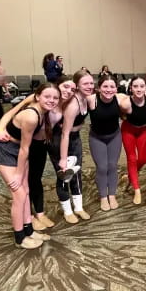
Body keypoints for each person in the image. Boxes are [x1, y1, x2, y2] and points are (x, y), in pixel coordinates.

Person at [0, 76, 76, 231]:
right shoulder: (40, 98)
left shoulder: (65, 103)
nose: (69, 91)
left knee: (35, 179)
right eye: (66, 87)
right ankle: (29, 217)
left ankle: (39, 214)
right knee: (26, 182)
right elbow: (11, 112)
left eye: (72, 89)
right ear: (58, 86)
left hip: (41, 144)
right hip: (26, 143)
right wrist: (0, 128)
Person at [0, 83, 59, 249]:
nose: (52, 100)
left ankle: (29, 230)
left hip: (18, 152)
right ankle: (19, 238)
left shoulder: (41, 111)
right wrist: (19, 175)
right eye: (47, 97)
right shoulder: (32, 116)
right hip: (5, 151)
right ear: (38, 97)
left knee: (26, 192)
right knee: (19, 194)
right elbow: (25, 148)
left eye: (55, 97)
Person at [49, 70, 94, 223]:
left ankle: (79, 208)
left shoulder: (86, 99)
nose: (89, 86)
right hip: (60, 141)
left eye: (91, 83)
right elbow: (64, 134)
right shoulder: (73, 104)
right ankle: (68, 211)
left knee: (76, 172)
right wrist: (62, 158)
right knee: (64, 174)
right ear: (77, 86)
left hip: (75, 139)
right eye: (85, 84)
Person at [87, 75, 128, 211]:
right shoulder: (92, 99)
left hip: (114, 136)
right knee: (102, 167)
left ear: (116, 88)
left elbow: (140, 98)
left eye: (112, 86)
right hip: (97, 137)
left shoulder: (120, 98)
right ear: (99, 88)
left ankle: (112, 195)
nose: (108, 90)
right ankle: (103, 197)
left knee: (112, 166)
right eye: (105, 86)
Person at [120, 76, 146, 204]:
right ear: (131, 88)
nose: (139, 89)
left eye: (142, 86)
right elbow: (117, 108)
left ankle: (129, 175)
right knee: (132, 159)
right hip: (128, 131)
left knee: (144, 159)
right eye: (135, 86)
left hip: (142, 131)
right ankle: (136, 189)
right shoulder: (126, 103)